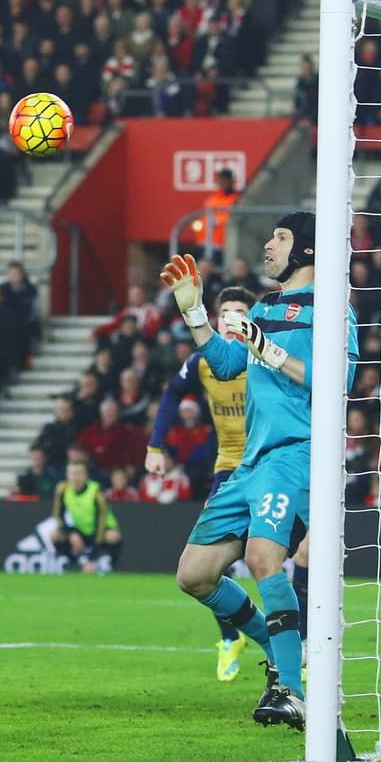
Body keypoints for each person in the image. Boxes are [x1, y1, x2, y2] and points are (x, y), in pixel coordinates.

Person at [162, 212, 357, 730]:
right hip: (250, 461)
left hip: (297, 453)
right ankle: (281, 646)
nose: (268, 245)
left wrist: (264, 347)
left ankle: (291, 691)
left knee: (264, 556)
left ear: (308, 252)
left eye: (281, 237)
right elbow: (228, 364)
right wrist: (195, 314)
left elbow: (335, 381)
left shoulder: (333, 310)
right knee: (195, 575)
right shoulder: (267, 305)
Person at [145, 286, 256, 682]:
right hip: (228, 469)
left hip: (271, 467)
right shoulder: (203, 362)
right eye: (224, 312)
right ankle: (230, 637)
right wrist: (155, 446)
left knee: (278, 562)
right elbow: (173, 393)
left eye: (239, 311)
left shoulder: (265, 358)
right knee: (207, 565)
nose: (230, 319)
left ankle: (304, 650)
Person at [50, 460, 122, 574]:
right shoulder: (62, 488)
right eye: (72, 473)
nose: (75, 477)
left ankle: (111, 565)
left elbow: (101, 523)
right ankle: (75, 563)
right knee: (55, 535)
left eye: (79, 473)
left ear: (86, 475)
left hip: (101, 530)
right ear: (67, 475)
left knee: (113, 536)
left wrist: (91, 558)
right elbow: (57, 515)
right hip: (80, 530)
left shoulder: (96, 491)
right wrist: (71, 533)